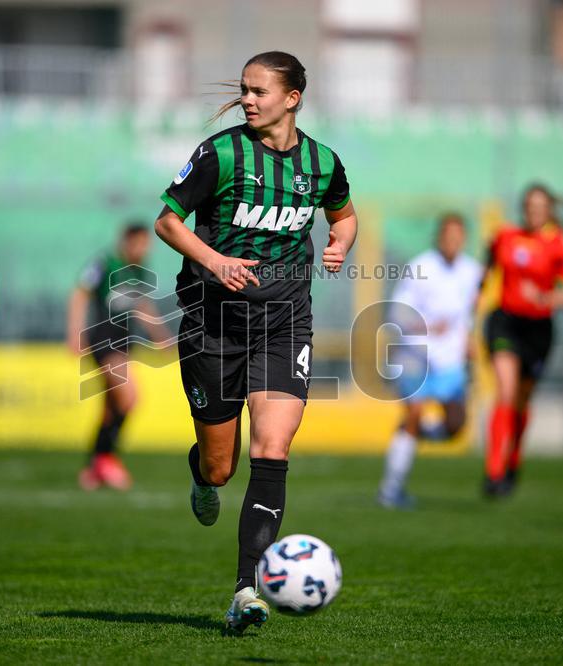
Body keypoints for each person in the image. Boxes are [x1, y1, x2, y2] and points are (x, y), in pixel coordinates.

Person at [153, 51, 356, 632]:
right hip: (213, 324)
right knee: (221, 466)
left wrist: (340, 242)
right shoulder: (220, 154)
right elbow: (167, 221)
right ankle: (201, 476)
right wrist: (215, 261)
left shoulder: (322, 162)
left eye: (258, 91)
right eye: (244, 89)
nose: (247, 99)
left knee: (273, 448)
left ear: (292, 98)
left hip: (284, 322)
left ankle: (247, 589)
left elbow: (344, 216)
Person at [378, 213, 482, 508]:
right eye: (447, 235)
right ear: (439, 237)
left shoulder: (472, 272)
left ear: (464, 239)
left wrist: (469, 340)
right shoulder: (420, 267)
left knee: (455, 426)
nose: (452, 241)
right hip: (416, 354)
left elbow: (469, 314)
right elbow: (397, 312)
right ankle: (391, 489)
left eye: (458, 235)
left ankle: (410, 438)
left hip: (450, 360)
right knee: (414, 413)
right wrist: (425, 326)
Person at [483, 184, 563, 497]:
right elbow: (485, 270)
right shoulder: (505, 236)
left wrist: (545, 297)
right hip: (505, 323)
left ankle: (513, 459)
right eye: (529, 205)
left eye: (540, 206)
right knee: (506, 390)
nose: (534, 211)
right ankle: (494, 471)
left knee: (522, 399)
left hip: (537, 330)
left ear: (548, 210)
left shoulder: (559, 245)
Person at [66, 224, 168, 491]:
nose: (144, 249)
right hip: (103, 341)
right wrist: (75, 332)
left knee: (110, 408)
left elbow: (142, 306)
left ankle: (94, 466)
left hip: (124, 343)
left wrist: (160, 336)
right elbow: (80, 293)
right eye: (141, 243)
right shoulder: (106, 263)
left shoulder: (139, 271)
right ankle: (106, 459)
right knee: (129, 397)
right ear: (127, 241)